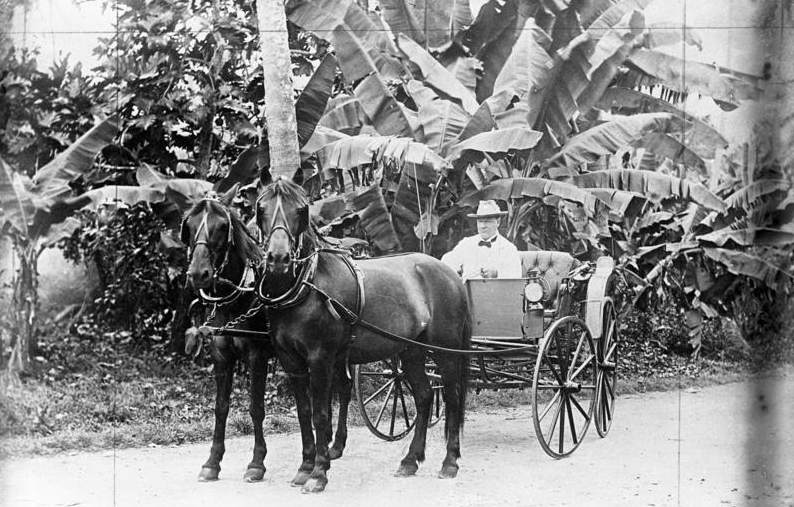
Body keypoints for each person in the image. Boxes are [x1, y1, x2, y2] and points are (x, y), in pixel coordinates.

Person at [441, 200, 523, 279]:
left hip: (497, 292)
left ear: (498, 222)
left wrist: (497, 273)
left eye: (488, 222)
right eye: (480, 222)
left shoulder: (508, 248)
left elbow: (515, 277)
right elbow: (447, 262)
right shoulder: (466, 244)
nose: (483, 226)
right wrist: (454, 274)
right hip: (469, 292)